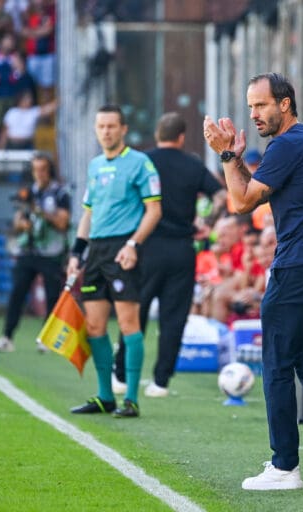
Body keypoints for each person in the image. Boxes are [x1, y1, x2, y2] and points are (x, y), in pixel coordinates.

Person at [203, 72, 303, 491]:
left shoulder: (288, 144)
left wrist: (225, 157)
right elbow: (251, 191)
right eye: (250, 107)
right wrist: (238, 160)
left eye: (261, 105)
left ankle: (283, 467)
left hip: (299, 268)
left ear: (285, 104)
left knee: (277, 365)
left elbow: (240, 202)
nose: (254, 114)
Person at [111, 112, 223, 398]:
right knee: (173, 317)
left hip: (146, 247)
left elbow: (122, 197)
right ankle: (161, 382)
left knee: (134, 310)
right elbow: (221, 196)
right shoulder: (193, 165)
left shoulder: (142, 161)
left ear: (158, 135)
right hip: (181, 249)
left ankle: (121, 374)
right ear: (182, 137)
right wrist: (206, 225)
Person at [67, 104, 162, 419]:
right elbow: (88, 213)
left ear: (123, 129)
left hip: (124, 249)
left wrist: (134, 244)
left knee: (127, 324)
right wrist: (75, 255)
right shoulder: (94, 166)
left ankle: (131, 399)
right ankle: (105, 396)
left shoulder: (139, 163)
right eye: (101, 126)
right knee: (94, 325)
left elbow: (154, 211)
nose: (106, 131)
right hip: (96, 251)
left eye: (111, 126)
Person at [0, 153, 71, 353]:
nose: (40, 174)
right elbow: (18, 220)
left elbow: (63, 222)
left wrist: (41, 212)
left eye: (43, 169)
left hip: (51, 251)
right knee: (17, 292)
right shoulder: (28, 193)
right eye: (36, 169)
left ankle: (47, 338)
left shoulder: (60, 193)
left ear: (50, 171)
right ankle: (7, 336)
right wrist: (23, 224)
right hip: (29, 249)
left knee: (52, 295)